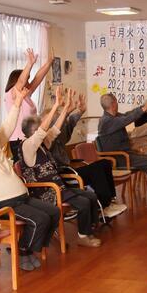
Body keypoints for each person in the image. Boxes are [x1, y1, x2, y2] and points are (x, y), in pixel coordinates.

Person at [0, 87, 60, 271]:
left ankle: (27, 248)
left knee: (53, 213)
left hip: (21, 198)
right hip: (2, 204)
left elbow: (8, 126)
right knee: (40, 220)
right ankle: (23, 250)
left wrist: (17, 102)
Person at [19, 88, 101, 248]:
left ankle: (89, 230)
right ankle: (83, 236)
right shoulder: (28, 146)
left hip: (59, 188)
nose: (45, 129)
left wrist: (66, 107)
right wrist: (56, 105)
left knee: (90, 196)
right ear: (33, 132)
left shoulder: (43, 143)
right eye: (41, 128)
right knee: (83, 202)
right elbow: (45, 130)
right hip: (46, 193)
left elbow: (56, 128)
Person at [46, 91, 127, 218]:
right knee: (96, 169)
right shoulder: (47, 140)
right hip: (63, 177)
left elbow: (69, 124)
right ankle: (104, 207)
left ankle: (110, 200)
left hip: (70, 170)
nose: (62, 122)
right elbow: (61, 125)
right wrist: (66, 110)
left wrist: (79, 110)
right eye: (58, 119)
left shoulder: (59, 137)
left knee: (105, 163)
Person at [97, 94, 147, 201]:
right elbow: (127, 119)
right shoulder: (106, 121)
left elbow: (129, 114)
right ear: (113, 104)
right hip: (118, 158)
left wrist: (145, 106)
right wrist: (145, 107)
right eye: (116, 101)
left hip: (126, 154)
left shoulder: (115, 116)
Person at [4, 48, 53, 158]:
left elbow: (38, 78)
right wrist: (29, 63)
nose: (28, 81)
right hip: (19, 139)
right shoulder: (11, 94)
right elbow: (21, 81)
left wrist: (49, 62)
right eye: (26, 79)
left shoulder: (25, 94)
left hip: (32, 137)